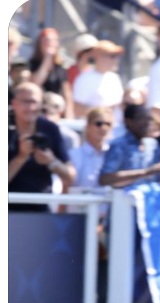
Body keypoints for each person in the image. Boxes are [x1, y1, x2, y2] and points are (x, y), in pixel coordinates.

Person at [9, 81, 77, 211]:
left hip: (40, 207)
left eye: (34, 102)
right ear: (14, 103)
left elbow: (70, 177)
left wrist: (51, 161)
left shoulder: (50, 129)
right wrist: (21, 157)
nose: (30, 108)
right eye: (26, 102)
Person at [99, 103, 160, 189]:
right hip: (125, 196)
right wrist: (145, 172)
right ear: (128, 121)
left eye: (149, 119)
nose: (147, 123)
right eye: (141, 118)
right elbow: (105, 179)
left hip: (150, 195)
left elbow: (157, 176)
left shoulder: (153, 145)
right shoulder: (119, 145)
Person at [72, 39, 125, 123]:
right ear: (99, 57)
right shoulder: (85, 78)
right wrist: (104, 111)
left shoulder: (114, 77)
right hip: (96, 128)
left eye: (117, 56)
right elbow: (77, 109)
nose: (116, 60)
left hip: (117, 127)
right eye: (112, 56)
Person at [29, 27, 75, 119]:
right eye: (46, 40)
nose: (49, 43)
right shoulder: (33, 64)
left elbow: (66, 93)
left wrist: (69, 116)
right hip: (39, 110)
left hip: (56, 111)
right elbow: (35, 83)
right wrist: (47, 58)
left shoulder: (60, 67)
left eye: (53, 40)